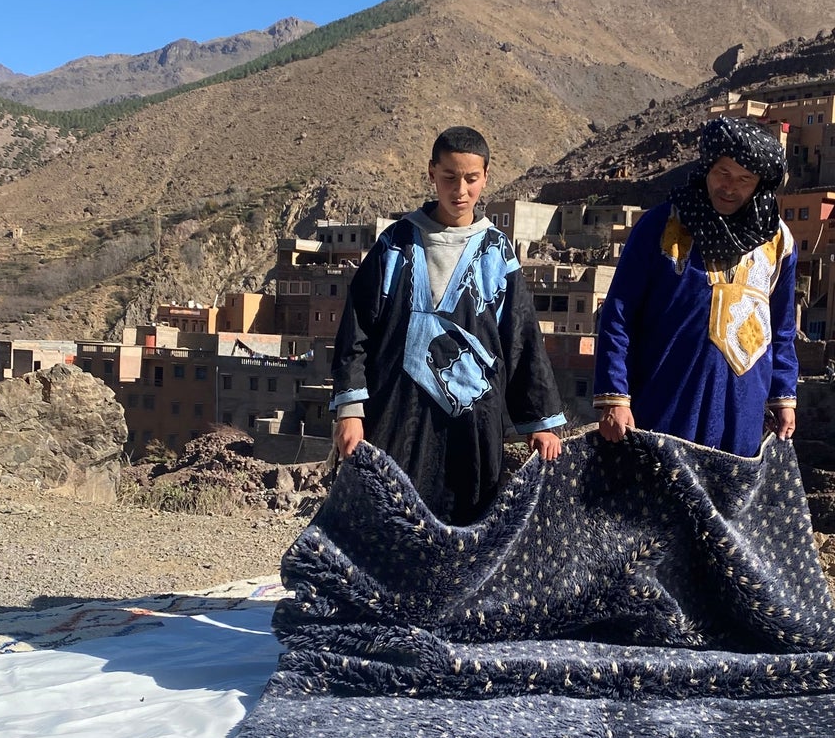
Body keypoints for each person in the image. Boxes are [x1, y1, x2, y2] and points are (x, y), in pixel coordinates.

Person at [331, 126, 565, 523]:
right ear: (431, 174)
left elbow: (521, 339)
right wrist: (350, 411)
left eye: (471, 179)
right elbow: (356, 329)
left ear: (486, 177)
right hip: (396, 413)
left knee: (467, 518)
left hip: (473, 420)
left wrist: (539, 422)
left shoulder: (497, 253)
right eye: (449, 178)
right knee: (389, 516)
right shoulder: (396, 244)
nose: (460, 190)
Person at [593, 116, 798, 456]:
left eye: (744, 179)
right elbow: (618, 312)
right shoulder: (662, 225)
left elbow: (783, 328)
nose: (729, 187)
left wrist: (783, 396)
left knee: (730, 503)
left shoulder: (779, 242)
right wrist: (615, 395)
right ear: (706, 169)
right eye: (722, 173)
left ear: (760, 184)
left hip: (743, 408)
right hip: (667, 396)